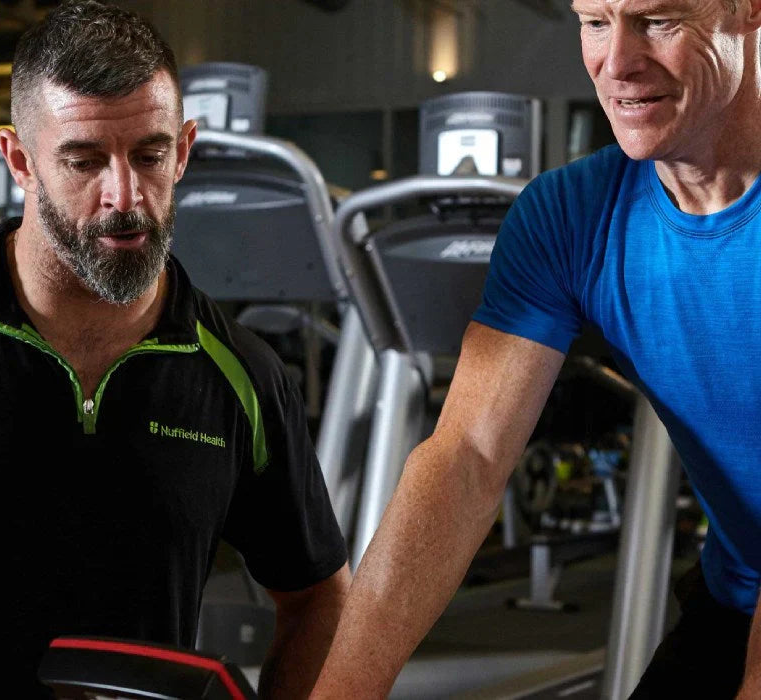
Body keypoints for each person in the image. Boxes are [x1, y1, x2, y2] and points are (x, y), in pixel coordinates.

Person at [311, 0, 761, 698]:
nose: (617, 63)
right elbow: (467, 458)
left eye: (657, 21)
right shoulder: (570, 214)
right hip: (735, 589)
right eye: (594, 22)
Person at [0, 1, 351, 697]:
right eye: (83, 161)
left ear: (185, 150)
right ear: (20, 161)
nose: (125, 196)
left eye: (150, 155)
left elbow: (319, 596)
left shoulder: (241, 375)